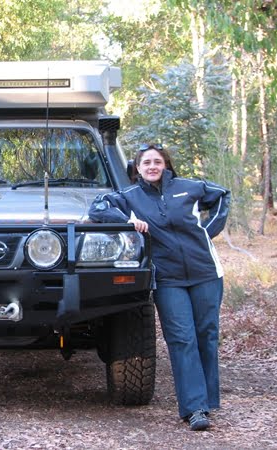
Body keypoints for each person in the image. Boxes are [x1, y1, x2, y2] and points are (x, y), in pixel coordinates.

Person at [88, 143, 230, 431]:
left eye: (157, 162)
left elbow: (222, 196)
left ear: (166, 164)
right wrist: (128, 220)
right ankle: (195, 408)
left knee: (206, 335)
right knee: (182, 338)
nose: (152, 167)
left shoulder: (189, 188)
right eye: (146, 163)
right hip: (167, 278)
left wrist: (207, 231)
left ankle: (208, 399)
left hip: (206, 273)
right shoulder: (130, 196)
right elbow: (98, 208)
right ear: (137, 169)